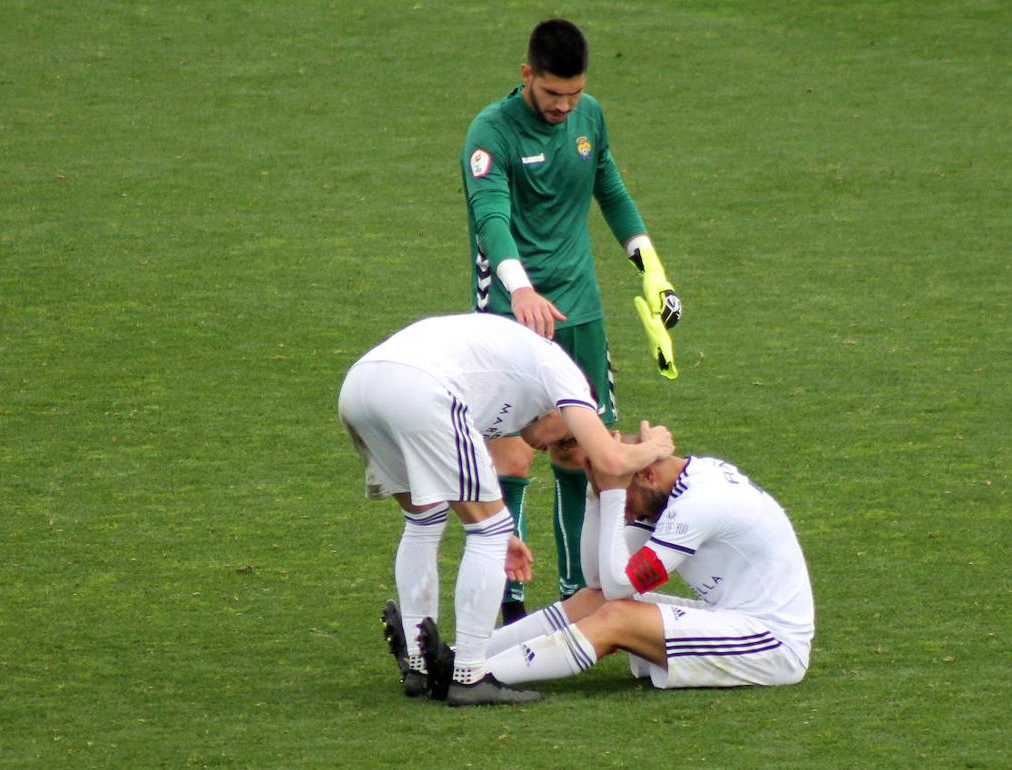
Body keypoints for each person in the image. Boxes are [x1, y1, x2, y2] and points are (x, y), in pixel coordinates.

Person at [461, 18, 683, 621]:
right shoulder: (492, 133)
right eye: (553, 93)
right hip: (511, 314)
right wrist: (522, 289)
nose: (564, 106)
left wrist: (650, 267)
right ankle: (507, 606)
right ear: (527, 74)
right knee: (511, 457)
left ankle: (568, 599)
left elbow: (608, 187)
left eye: (574, 94)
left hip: (579, 312)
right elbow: (491, 219)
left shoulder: (589, 117)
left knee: (580, 454)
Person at [338, 313, 673, 706]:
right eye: (566, 439)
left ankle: (419, 667)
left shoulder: (506, 388)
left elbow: (455, 477)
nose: (552, 449)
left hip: (361, 386)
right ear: (568, 411)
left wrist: (498, 530)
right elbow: (612, 461)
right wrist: (656, 448)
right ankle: (469, 676)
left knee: (424, 519)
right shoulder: (569, 377)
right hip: (418, 386)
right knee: (488, 531)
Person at [410, 444, 814, 694]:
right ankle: (461, 658)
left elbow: (620, 586)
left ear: (647, 474)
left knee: (618, 614)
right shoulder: (677, 483)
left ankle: (472, 676)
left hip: (773, 644)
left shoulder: (699, 505)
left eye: (627, 496)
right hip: (735, 619)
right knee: (594, 601)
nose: (628, 512)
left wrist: (615, 495)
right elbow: (599, 581)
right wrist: (596, 492)